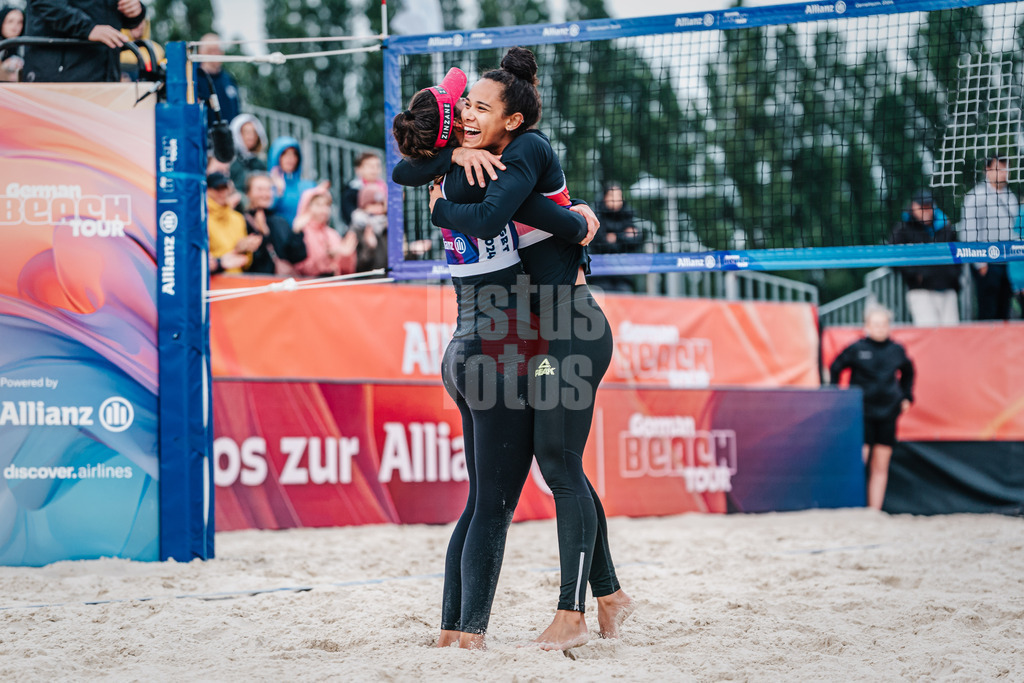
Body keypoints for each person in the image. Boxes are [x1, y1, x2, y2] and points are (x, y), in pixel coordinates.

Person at [394, 52, 632, 651]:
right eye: (465, 107)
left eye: (482, 106)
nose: (471, 113)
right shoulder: (483, 164)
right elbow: (414, 172)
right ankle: (608, 594)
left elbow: (497, 209)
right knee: (557, 466)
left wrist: (573, 225)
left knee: (556, 466)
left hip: (566, 326)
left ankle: (575, 610)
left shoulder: (522, 156)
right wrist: (453, 157)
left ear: (513, 120)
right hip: (529, 339)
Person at [828, 305, 915, 511]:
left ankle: (874, 511)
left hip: (888, 412)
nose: (880, 328)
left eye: (883, 323)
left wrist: (906, 397)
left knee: (880, 464)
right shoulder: (857, 348)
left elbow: (909, 372)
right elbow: (835, 367)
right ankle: (852, 507)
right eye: (875, 323)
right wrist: (838, 397)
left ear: (889, 326)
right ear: (867, 326)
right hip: (861, 412)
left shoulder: (896, 350)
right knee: (859, 461)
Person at [22, 0, 146, 83]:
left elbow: (112, 12)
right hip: (59, 72)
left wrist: (135, 10)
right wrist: (88, 28)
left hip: (106, 72)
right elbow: (45, 3)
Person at [891, 190, 960, 326]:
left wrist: (954, 276)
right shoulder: (902, 229)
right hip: (920, 291)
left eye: (929, 206)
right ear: (913, 206)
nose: (926, 210)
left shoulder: (945, 226)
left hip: (947, 288)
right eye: (922, 207)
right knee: (928, 333)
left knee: (951, 334)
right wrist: (916, 276)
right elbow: (894, 257)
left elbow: (958, 253)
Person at [961, 155, 1018, 320]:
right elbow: (969, 230)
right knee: (988, 312)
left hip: (1008, 262)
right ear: (987, 170)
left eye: (1005, 169)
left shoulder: (1011, 197)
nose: (1003, 173)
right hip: (987, 263)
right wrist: (979, 263)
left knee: (1004, 311)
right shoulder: (976, 197)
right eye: (998, 168)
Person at [243, 172, 307, 275]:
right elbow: (251, 263)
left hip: (280, 285)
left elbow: (298, 257)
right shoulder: (241, 221)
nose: (265, 194)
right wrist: (262, 234)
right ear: (248, 193)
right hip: (254, 285)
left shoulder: (280, 221)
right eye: (260, 189)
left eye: (268, 189)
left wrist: (297, 232)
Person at [589, 182, 644, 293]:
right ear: (605, 197)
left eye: (619, 196)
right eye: (612, 196)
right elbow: (601, 242)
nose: (616, 199)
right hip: (600, 274)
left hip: (623, 275)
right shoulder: (595, 214)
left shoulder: (628, 214)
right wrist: (624, 237)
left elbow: (636, 240)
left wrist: (616, 237)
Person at [291, 186, 355, 278]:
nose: (324, 210)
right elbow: (299, 268)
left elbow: (346, 272)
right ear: (306, 206)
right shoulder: (300, 232)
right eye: (318, 204)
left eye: (327, 205)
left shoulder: (332, 234)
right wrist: (327, 258)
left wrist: (345, 257)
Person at [206, 172, 258, 275]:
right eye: (217, 188)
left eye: (224, 188)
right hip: (214, 280)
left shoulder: (238, 218)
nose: (222, 192)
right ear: (207, 190)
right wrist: (222, 261)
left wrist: (245, 249)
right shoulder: (202, 219)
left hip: (237, 279)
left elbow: (246, 261)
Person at [192, 33, 241, 127]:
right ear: (200, 52)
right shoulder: (192, 79)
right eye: (210, 50)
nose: (215, 54)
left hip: (228, 136)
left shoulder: (229, 80)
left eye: (218, 50)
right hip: (203, 137)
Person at [267, 136, 316, 226]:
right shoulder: (267, 185)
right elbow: (266, 211)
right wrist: (278, 192)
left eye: (294, 154)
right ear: (276, 156)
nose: (291, 158)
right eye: (285, 154)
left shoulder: (309, 186)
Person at [229, 114, 269, 199]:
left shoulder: (261, 164)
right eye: (246, 132)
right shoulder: (230, 162)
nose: (250, 136)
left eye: (254, 132)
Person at [341, 152, 386, 227]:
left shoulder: (385, 188)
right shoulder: (353, 189)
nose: (374, 169)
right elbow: (349, 215)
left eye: (377, 166)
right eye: (370, 166)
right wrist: (366, 211)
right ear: (358, 169)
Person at [117, 15, 161, 82]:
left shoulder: (156, 49)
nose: (139, 27)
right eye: (135, 22)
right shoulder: (118, 49)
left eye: (142, 22)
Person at [0, 6, 25, 82]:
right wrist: (4, 66)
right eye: (10, 21)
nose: (15, 26)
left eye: (19, 22)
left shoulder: (26, 46)